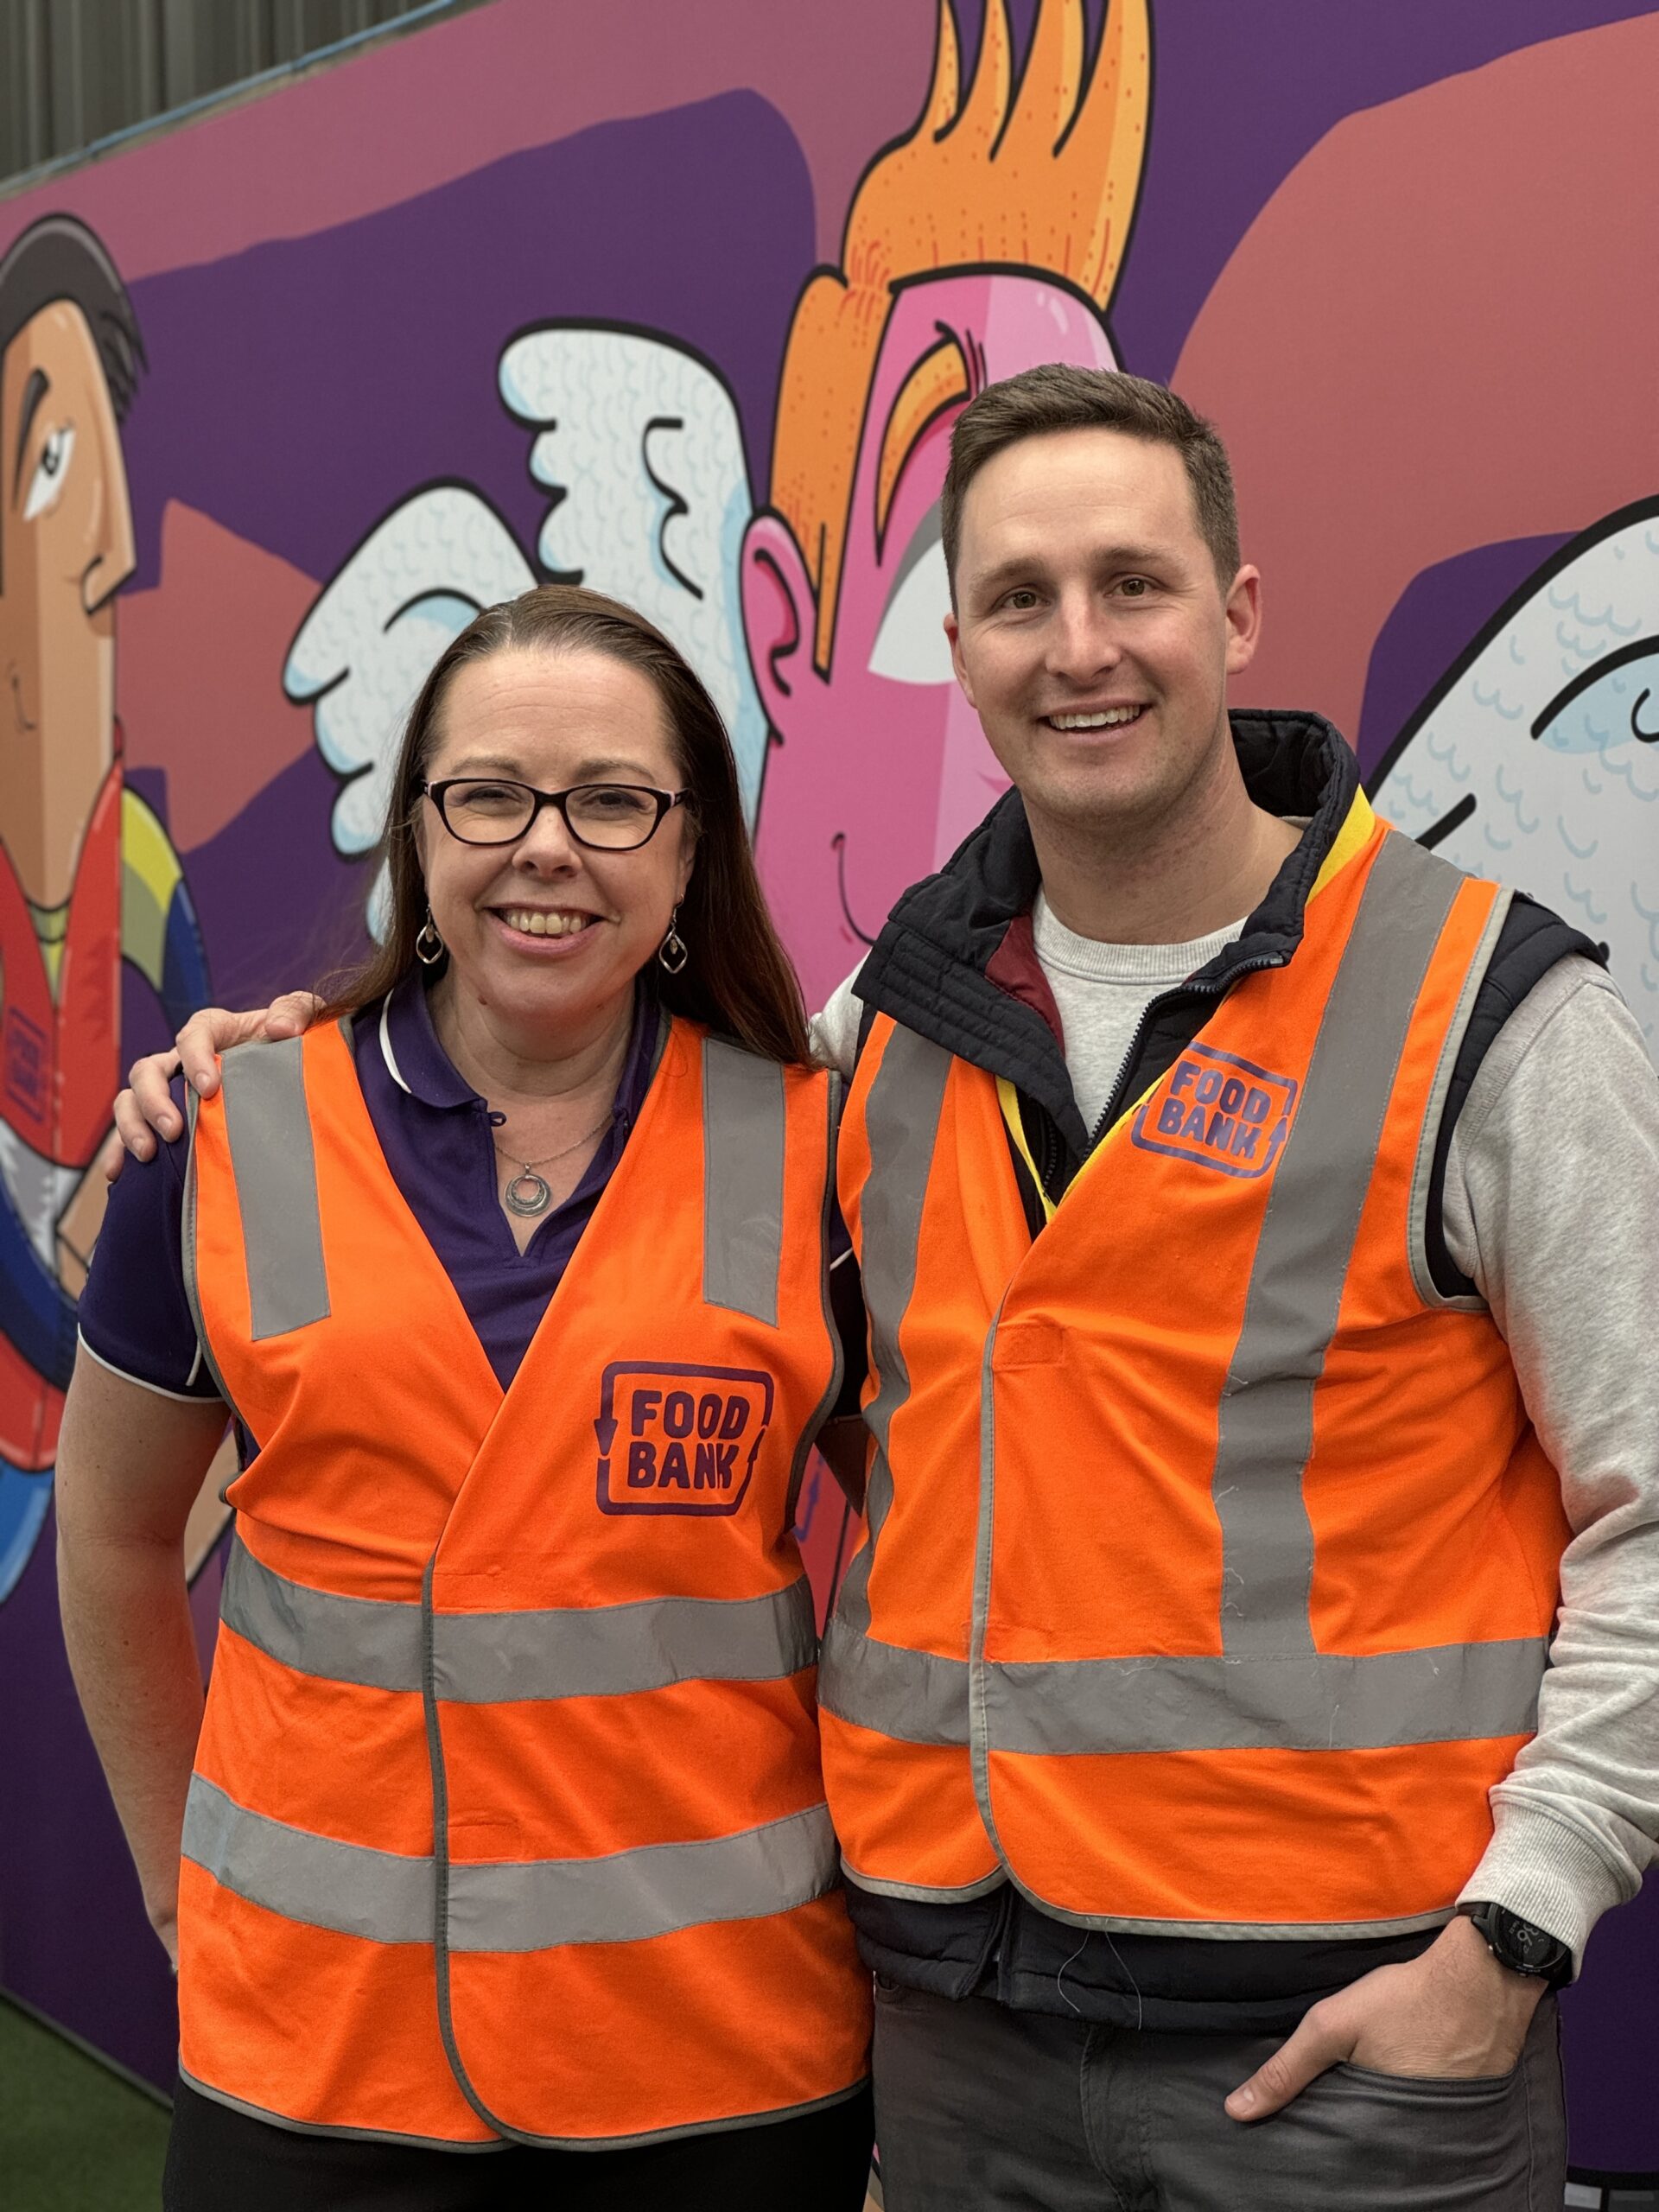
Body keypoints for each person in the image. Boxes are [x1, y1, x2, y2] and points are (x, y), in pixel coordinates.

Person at [118, 371, 1659, 2211]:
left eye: (1133, 583)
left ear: (1237, 610)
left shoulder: (1495, 1014)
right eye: (1019, 596)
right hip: (955, 2036)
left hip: (1337, 2036)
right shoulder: (882, 1050)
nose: (1079, 646)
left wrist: (1514, 1927)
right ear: (957, 644)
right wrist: (264, 1058)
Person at [61, 585, 874, 2209]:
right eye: (490, 794)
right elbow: (112, 1540)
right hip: (315, 2070)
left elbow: (954, 1541)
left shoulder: (820, 1157)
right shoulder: (224, 1139)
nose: (548, 847)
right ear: (418, 831)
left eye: (614, 800)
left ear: (692, 842)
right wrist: (179, 1896)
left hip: (722, 2069)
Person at [0, 213, 208, 1601]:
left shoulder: (125, 836)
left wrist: (126, 1203)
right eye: (60, 465)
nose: (110, 546)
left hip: (81, 1392)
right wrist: (63, 1307)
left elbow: (204, 1047)